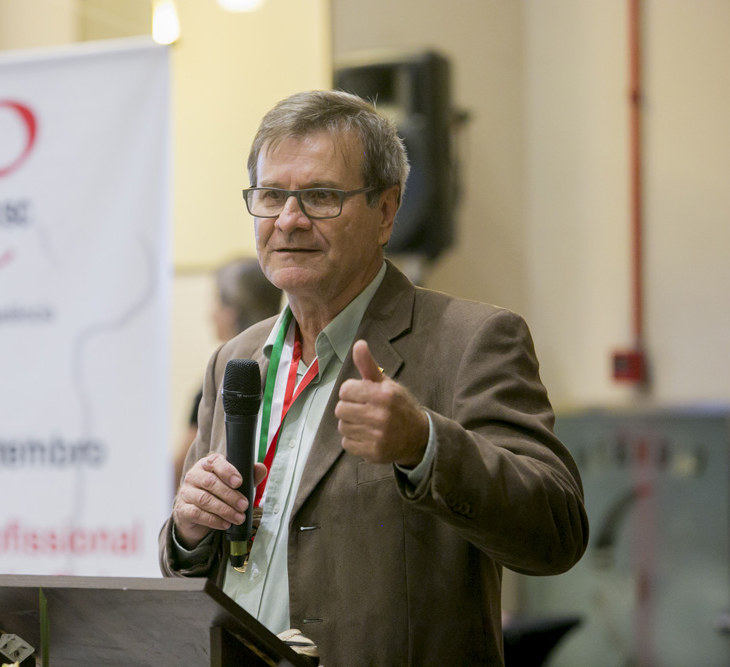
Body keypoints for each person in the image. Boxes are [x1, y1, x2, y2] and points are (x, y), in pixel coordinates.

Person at [159, 90, 589, 665]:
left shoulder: (471, 341)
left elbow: (557, 531)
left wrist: (424, 444)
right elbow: (195, 569)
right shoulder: (235, 359)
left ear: (386, 212)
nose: (289, 220)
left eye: (320, 196)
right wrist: (188, 532)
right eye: (271, 196)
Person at [175, 258, 282, 492]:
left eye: (216, 303)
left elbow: (181, 467)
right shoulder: (286, 363)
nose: (210, 315)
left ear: (233, 310)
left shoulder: (222, 380)